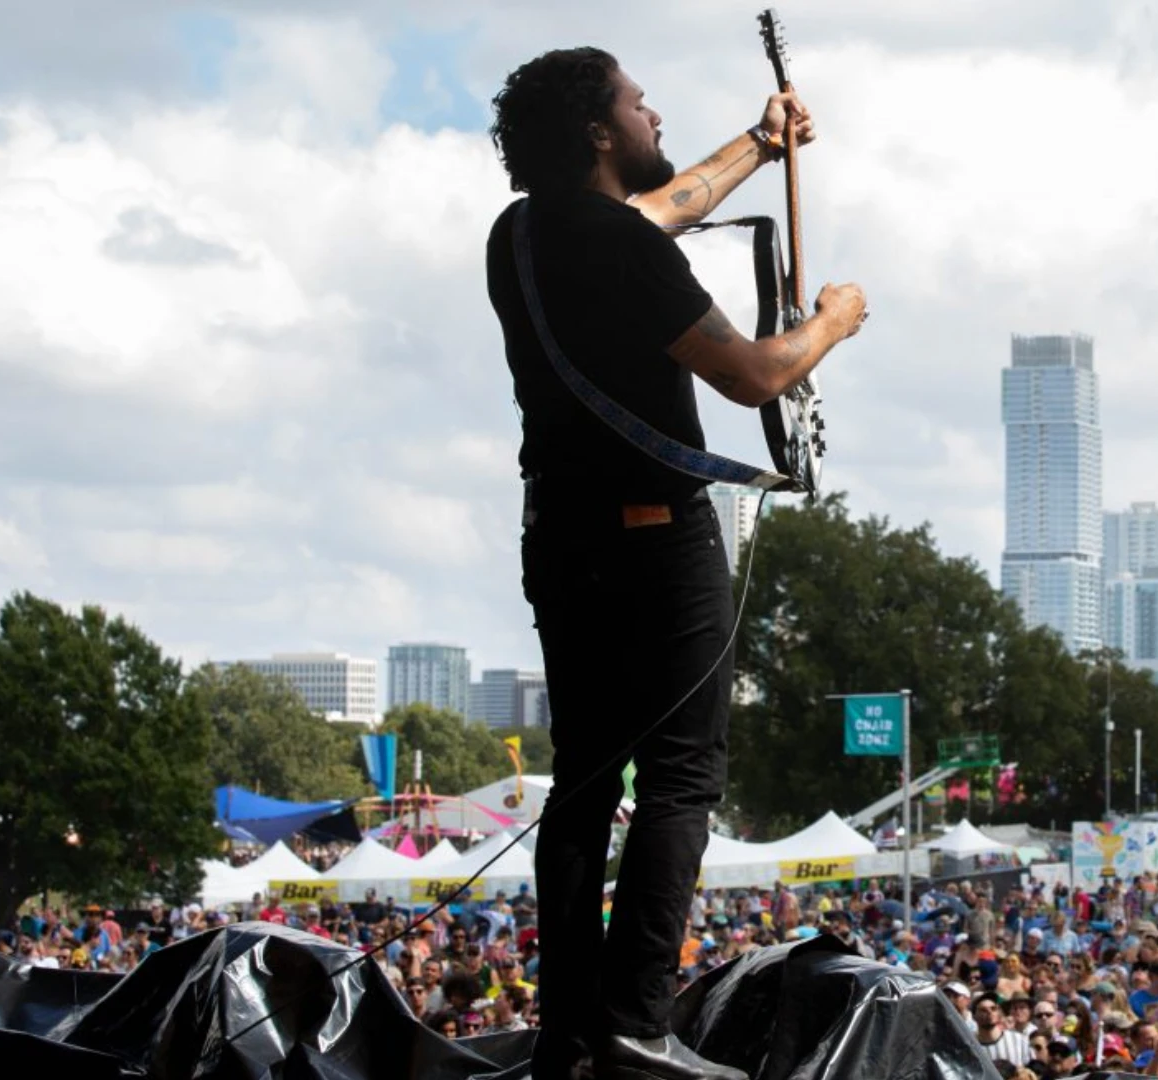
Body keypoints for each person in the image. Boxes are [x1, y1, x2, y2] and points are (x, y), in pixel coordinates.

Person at [484, 46, 868, 1080]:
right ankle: (638, 1019)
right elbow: (752, 376)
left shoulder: (519, 234)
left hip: (559, 537)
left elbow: (663, 208)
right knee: (682, 777)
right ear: (601, 133)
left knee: (582, 786)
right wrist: (829, 324)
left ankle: (572, 1029)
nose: (655, 114)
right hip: (655, 539)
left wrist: (760, 141)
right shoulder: (626, 249)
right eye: (638, 103)